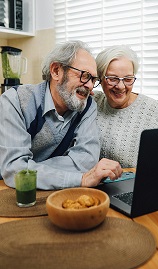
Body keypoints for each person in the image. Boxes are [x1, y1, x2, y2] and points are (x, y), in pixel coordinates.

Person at [0, 40, 122, 190]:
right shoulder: (15, 101)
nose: (90, 86)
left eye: (93, 80)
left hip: (48, 191)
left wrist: (30, 169)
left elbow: (87, 160)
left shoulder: (87, 106)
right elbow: (14, 170)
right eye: (84, 75)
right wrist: (80, 179)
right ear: (56, 71)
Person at [93, 44, 158, 168]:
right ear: (100, 78)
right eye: (113, 79)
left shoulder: (154, 111)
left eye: (128, 79)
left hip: (136, 183)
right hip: (94, 184)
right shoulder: (92, 102)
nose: (120, 86)